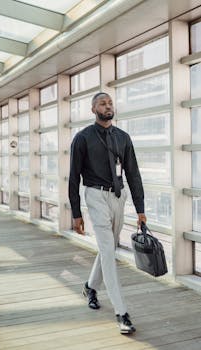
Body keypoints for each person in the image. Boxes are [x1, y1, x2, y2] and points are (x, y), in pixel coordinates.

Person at [68, 92, 146, 335]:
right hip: (95, 195)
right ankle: (121, 313)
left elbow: (133, 173)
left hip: (118, 196)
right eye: (102, 103)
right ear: (93, 110)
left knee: (107, 248)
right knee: (109, 254)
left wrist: (140, 209)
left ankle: (90, 287)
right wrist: (76, 212)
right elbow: (73, 177)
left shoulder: (123, 137)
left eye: (110, 102)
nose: (107, 105)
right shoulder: (82, 138)